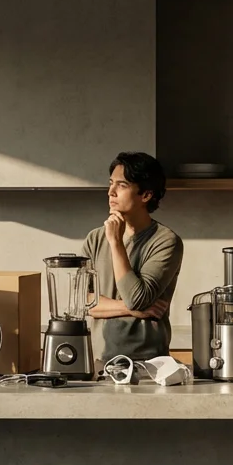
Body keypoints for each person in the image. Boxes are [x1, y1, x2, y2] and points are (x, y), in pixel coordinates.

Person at [82, 151, 184, 362]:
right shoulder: (94, 238)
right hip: (98, 361)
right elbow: (81, 302)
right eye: (111, 183)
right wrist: (130, 309)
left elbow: (137, 298)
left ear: (146, 195)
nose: (111, 192)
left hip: (148, 364)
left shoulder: (166, 241)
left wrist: (116, 242)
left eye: (122, 185)